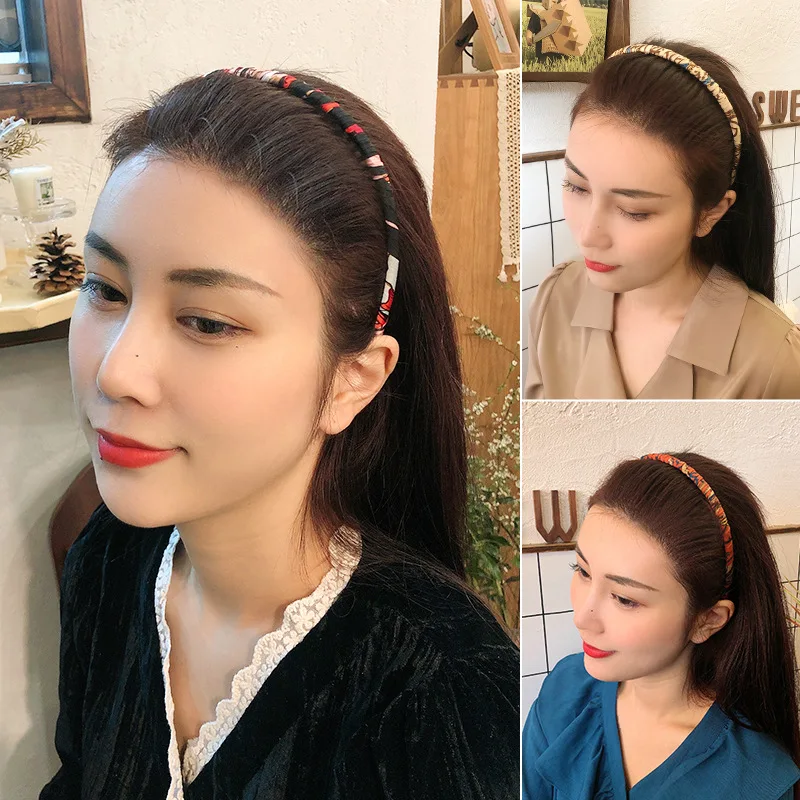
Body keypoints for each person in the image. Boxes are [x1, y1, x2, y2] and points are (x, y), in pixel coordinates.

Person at [41, 68, 519, 799]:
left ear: (352, 380)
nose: (116, 372)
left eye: (207, 322)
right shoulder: (107, 557)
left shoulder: (445, 689)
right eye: (106, 289)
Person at [524, 40, 800, 399]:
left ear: (710, 213)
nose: (588, 236)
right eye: (576, 187)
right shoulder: (557, 296)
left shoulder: (774, 362)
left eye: (634, 211)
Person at [522, 452, 800, 799]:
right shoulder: (564, 691)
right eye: (582, 571)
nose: (582, 618)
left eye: (625, 599)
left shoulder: (756, 779)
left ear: (707, 621)